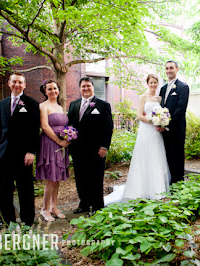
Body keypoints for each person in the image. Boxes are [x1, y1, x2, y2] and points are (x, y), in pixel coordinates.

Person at [104, 74, 170, 205]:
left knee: (156, 157)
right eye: (151, 82)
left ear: (158, 84)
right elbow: (139, 115)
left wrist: (162, 121)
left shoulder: (160, 98)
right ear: (147, 83)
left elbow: (163, 113)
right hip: (146, 131)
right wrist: (153, 120)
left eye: (155, 82)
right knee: (143, 158)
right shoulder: (143, 97)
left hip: (156, 133)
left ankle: (157, 189)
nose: (153, 85)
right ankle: (142, 189)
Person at [0, 73, 40, 232]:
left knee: (25, 190)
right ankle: (7, 221)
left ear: (24, 85)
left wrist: (31, 151)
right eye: (14, 82)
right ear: (9, 83)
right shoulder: (2, 104)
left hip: (23, 156)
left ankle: (27, 222)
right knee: (4, 190)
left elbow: (34, 130)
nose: (17, 84)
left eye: (20, 82)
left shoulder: (32, 104)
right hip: (3, 155)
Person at [68, 77, 113, 214]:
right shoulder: (73, 104)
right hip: (78, 149)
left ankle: (97, 206)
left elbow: (108, 127)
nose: (86, 88)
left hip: (96, 149)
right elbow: (71, 125)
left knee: (96, 178)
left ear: (93, 87)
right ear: (80, 88)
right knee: (81, 178)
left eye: (88, 86)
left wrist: (104, 146)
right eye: (83, 86)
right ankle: (84, 204)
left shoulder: (102, 105)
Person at [36, 80, 70, 221]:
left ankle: (54, 207)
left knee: (57, 178)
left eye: (55, 88)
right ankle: (44, 209)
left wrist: (68, 136)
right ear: (45, 91)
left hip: (61, 145)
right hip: (50, 143)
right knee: (51, 178)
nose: (53, 91)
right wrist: (58, 141)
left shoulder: (60, 107)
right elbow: (44, 126)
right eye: (49, 89)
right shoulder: (43, 106)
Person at [158, 61, 189, 184]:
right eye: (167, 68)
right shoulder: (163, 88)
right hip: (163, 130)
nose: (168, 70)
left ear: (177, 69)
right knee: (167, 156)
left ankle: (178, 185)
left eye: (171, 68)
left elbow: (180, 109)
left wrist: (167, 125)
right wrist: (160, 123)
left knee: (177, 157)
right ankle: (168, 182)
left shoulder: (183, 87)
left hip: (176, 129)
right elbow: (160, 107)